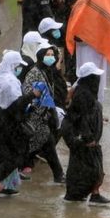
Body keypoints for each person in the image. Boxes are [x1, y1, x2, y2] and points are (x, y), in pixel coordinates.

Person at [0, 51, 39, 197]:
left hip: (0, 121)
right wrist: (32, 96)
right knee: (15, 156)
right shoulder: (9, 82)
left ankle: (2, 186)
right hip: (8, 124)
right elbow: (16, 105)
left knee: (1, 155)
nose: (20, 69)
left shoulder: (2, 76)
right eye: (17, 66)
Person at [62, 62, 110, 205]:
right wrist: (88, 138)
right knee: (89, 165)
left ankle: (87, 194)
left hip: (81, 135)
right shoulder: (83, 94)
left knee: (87, 165)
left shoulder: (85, 91)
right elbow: (81, 118)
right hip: (79, 136)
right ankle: (79, 194)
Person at [21, 43, 66, 183]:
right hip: (35, 117)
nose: (51, 58)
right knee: (43, 143)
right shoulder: (35, 73)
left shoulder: (48, 72)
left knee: (46, 143)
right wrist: (47, 112)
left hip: (42, 117)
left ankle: (58, 175)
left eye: (52, 55)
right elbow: (32, 96)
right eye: (47, 55)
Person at [62, 0, 95, 82]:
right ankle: (71, 75)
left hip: (76, 24)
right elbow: (74, 8)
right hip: (72, 24)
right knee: (71, 51)